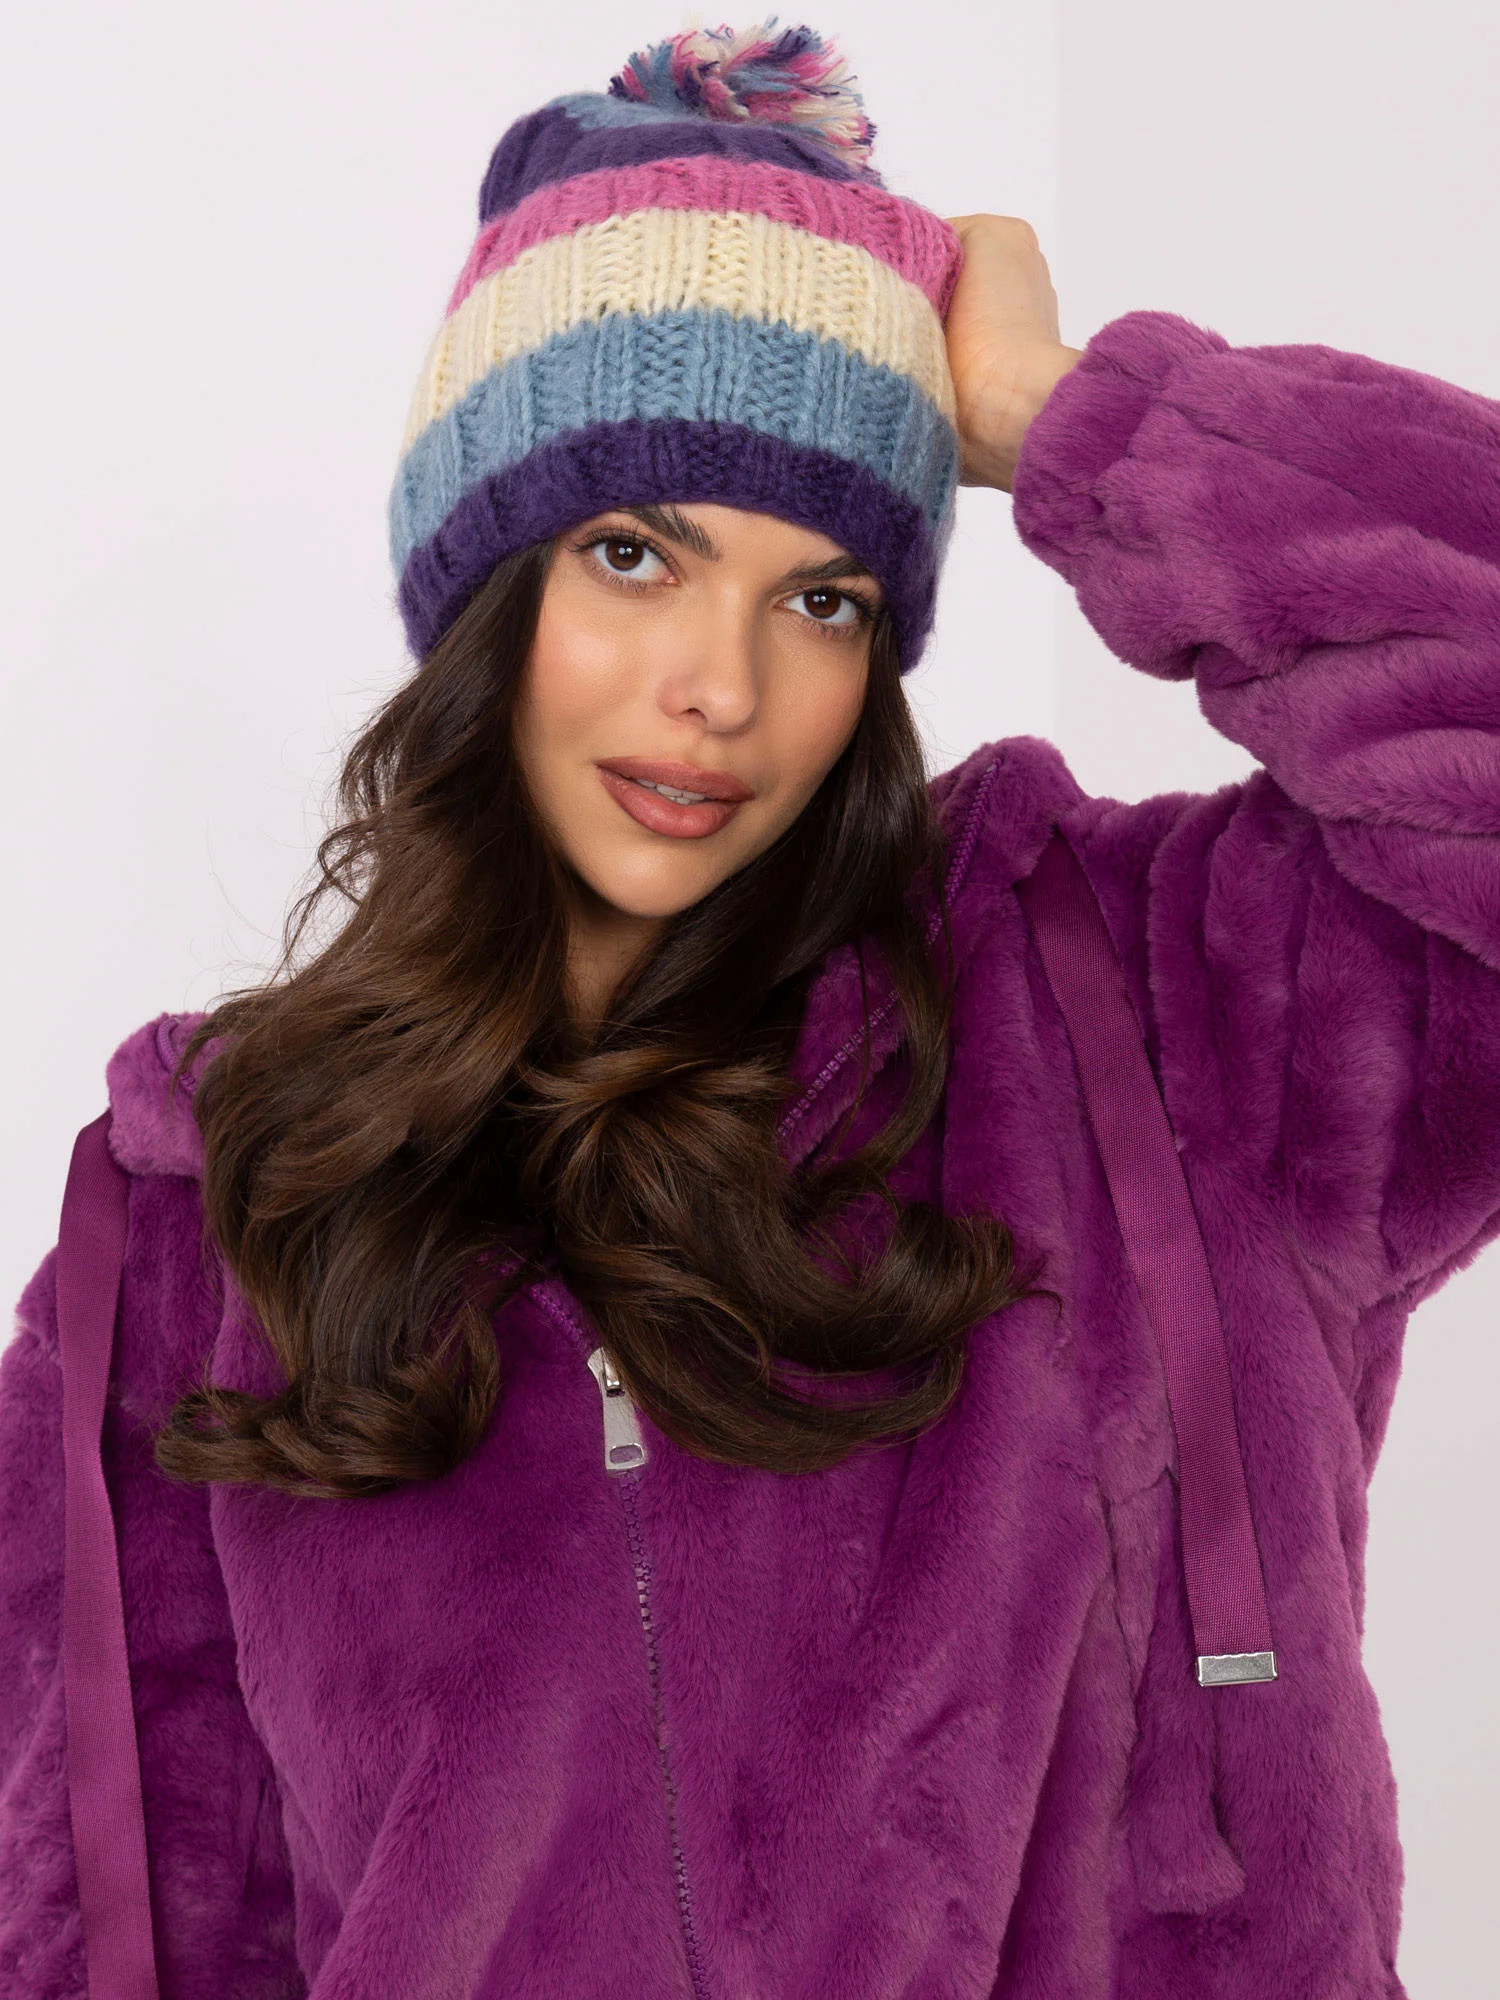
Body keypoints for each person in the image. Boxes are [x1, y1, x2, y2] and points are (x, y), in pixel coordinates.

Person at [3, 18, 1498, 1998]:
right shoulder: (205, 1217)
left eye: (822, 598)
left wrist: (1065, 417)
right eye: (636, 555)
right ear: (489, 592)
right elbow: (110, 1926)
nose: (723, 685)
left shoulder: (1170, 1007)